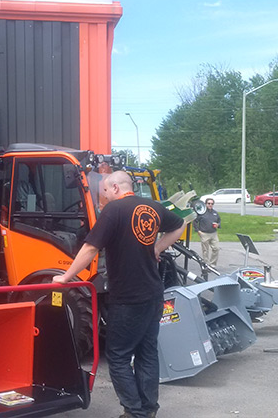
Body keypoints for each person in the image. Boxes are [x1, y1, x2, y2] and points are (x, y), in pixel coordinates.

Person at [53, 171, 186, 418]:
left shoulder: (113, 211)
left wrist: (66, 276)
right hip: (153, 293)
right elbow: (180, 224)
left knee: (118, 355)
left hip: (128, 296)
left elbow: (91, 248)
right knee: (147, 352)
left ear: (115, 187)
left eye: (104, 191)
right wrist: (156, 247)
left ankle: (135, 412)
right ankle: (148, 409)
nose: (103, 196)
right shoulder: (153, 206)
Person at [195, 197, 220, 266]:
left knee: (216, 248)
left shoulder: (215, 213)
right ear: (205, 204)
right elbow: (195, 222)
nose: (210, 205)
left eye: (212, 204)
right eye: (208, 203)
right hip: (204, 233)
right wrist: (198, 231)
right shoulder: (201, 212)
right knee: (205, 251)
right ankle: (206, 264)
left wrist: (218, 225)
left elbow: (219, 221)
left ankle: (212, 265)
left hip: (213, 233)